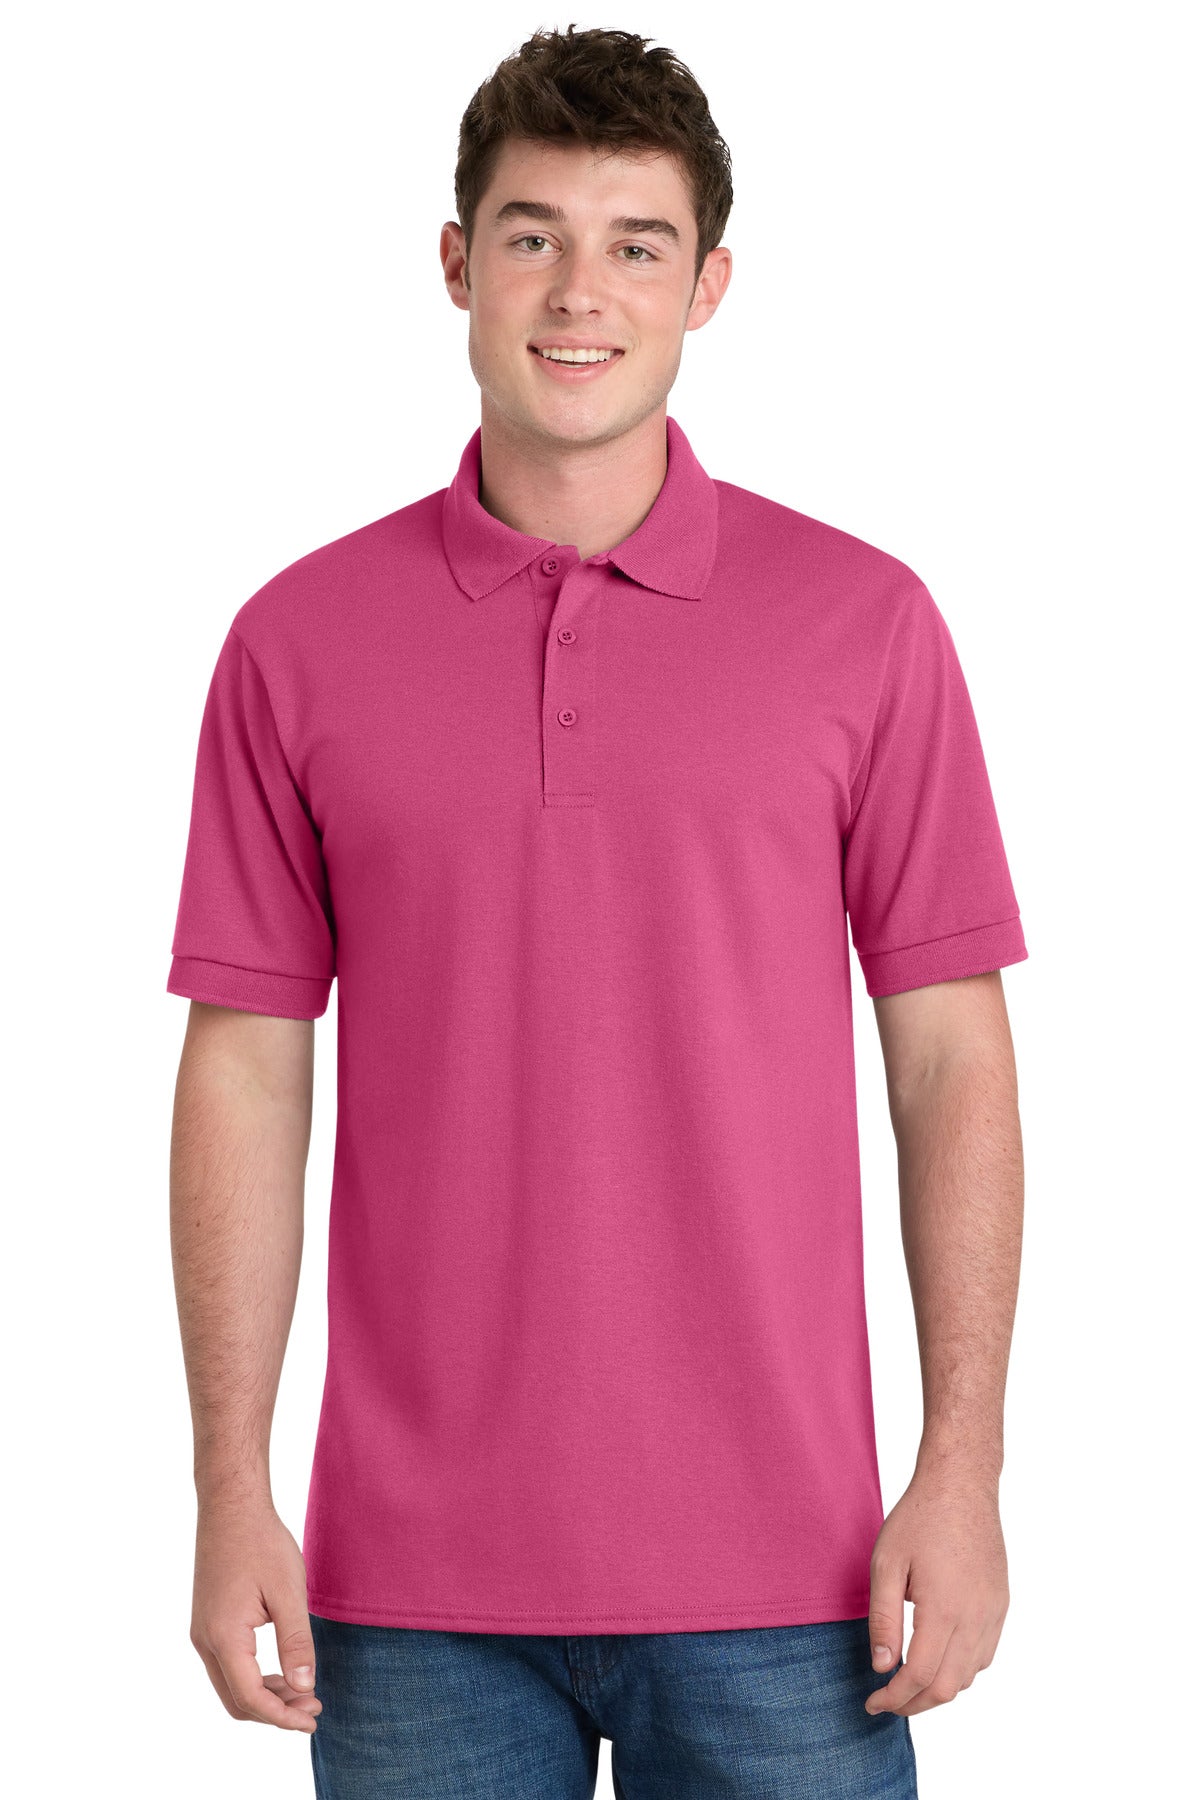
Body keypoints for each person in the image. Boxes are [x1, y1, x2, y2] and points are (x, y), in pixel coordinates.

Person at [167, 23, 1027, 1799]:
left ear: (709, 285)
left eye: (637, 244)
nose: (580, 292)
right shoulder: (295, 642)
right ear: (455, 263)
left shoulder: (866, 626)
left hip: (796, 1583)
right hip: (407, 1597)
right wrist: (226, 1485)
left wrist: (965, 1465)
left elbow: (950, 1059)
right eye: (533, 234)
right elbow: (245, 1067)